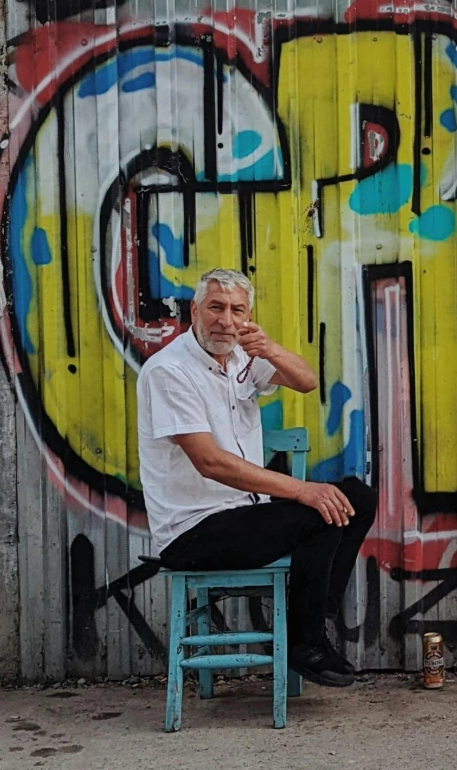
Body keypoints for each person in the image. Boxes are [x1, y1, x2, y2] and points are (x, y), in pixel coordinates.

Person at [136, 268, 375, 687]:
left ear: (247, 317)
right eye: (215, 307)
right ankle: (306, 642)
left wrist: (271, 350)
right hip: (192, 532)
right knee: (317, 513)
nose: (225, 320)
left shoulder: (241, 359)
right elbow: (211, 462)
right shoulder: (169, 371)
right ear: (195, 310)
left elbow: (306, 381)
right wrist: (302, 490)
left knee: (357, 497)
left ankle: (316, 612)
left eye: (236, 310)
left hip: (241, 516)